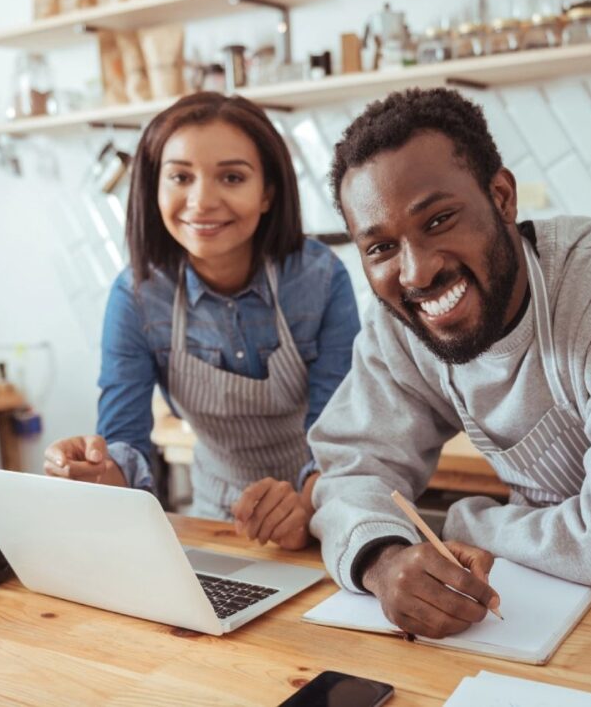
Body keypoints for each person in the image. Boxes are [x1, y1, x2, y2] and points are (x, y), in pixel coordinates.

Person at [309, 87, 591, 638]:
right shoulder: (401, 323)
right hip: (533, 603)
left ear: (501, 197)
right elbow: (352, 466)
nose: (417, 273)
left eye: (438, 220)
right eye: (380, 247)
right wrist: (380, 559)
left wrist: (468, 523)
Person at [45, 92, 359, 550]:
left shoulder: (320, 278)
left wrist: (306, 504)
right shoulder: (135, 295)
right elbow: (124, 443)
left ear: (268, 191)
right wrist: (95, 469)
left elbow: (340, 428)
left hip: (320, 509)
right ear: (155, 188)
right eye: (180, 177)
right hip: (213, 522)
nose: (202, 201)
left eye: (232, 177)